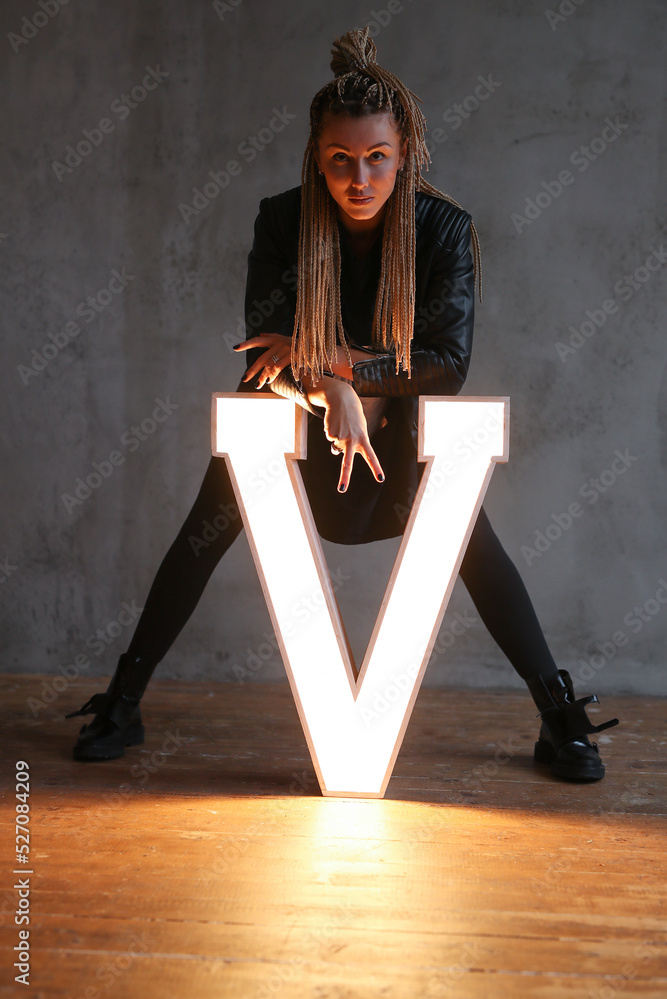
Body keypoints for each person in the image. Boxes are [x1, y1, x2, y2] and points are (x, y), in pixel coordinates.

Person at [66, 27, 618, 781]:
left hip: (401, 430)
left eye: (377, 159)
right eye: (340, 161)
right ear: (316, 159)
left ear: (405, 153)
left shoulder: (443, 230)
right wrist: (327, 392)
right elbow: (264, 357)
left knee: (469, 538)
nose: (359, 178)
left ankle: (559, 718)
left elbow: (447, 366)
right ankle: (123, 701)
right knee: (208, 519)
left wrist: (337, 369)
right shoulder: (282, 221)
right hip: (301, 418)